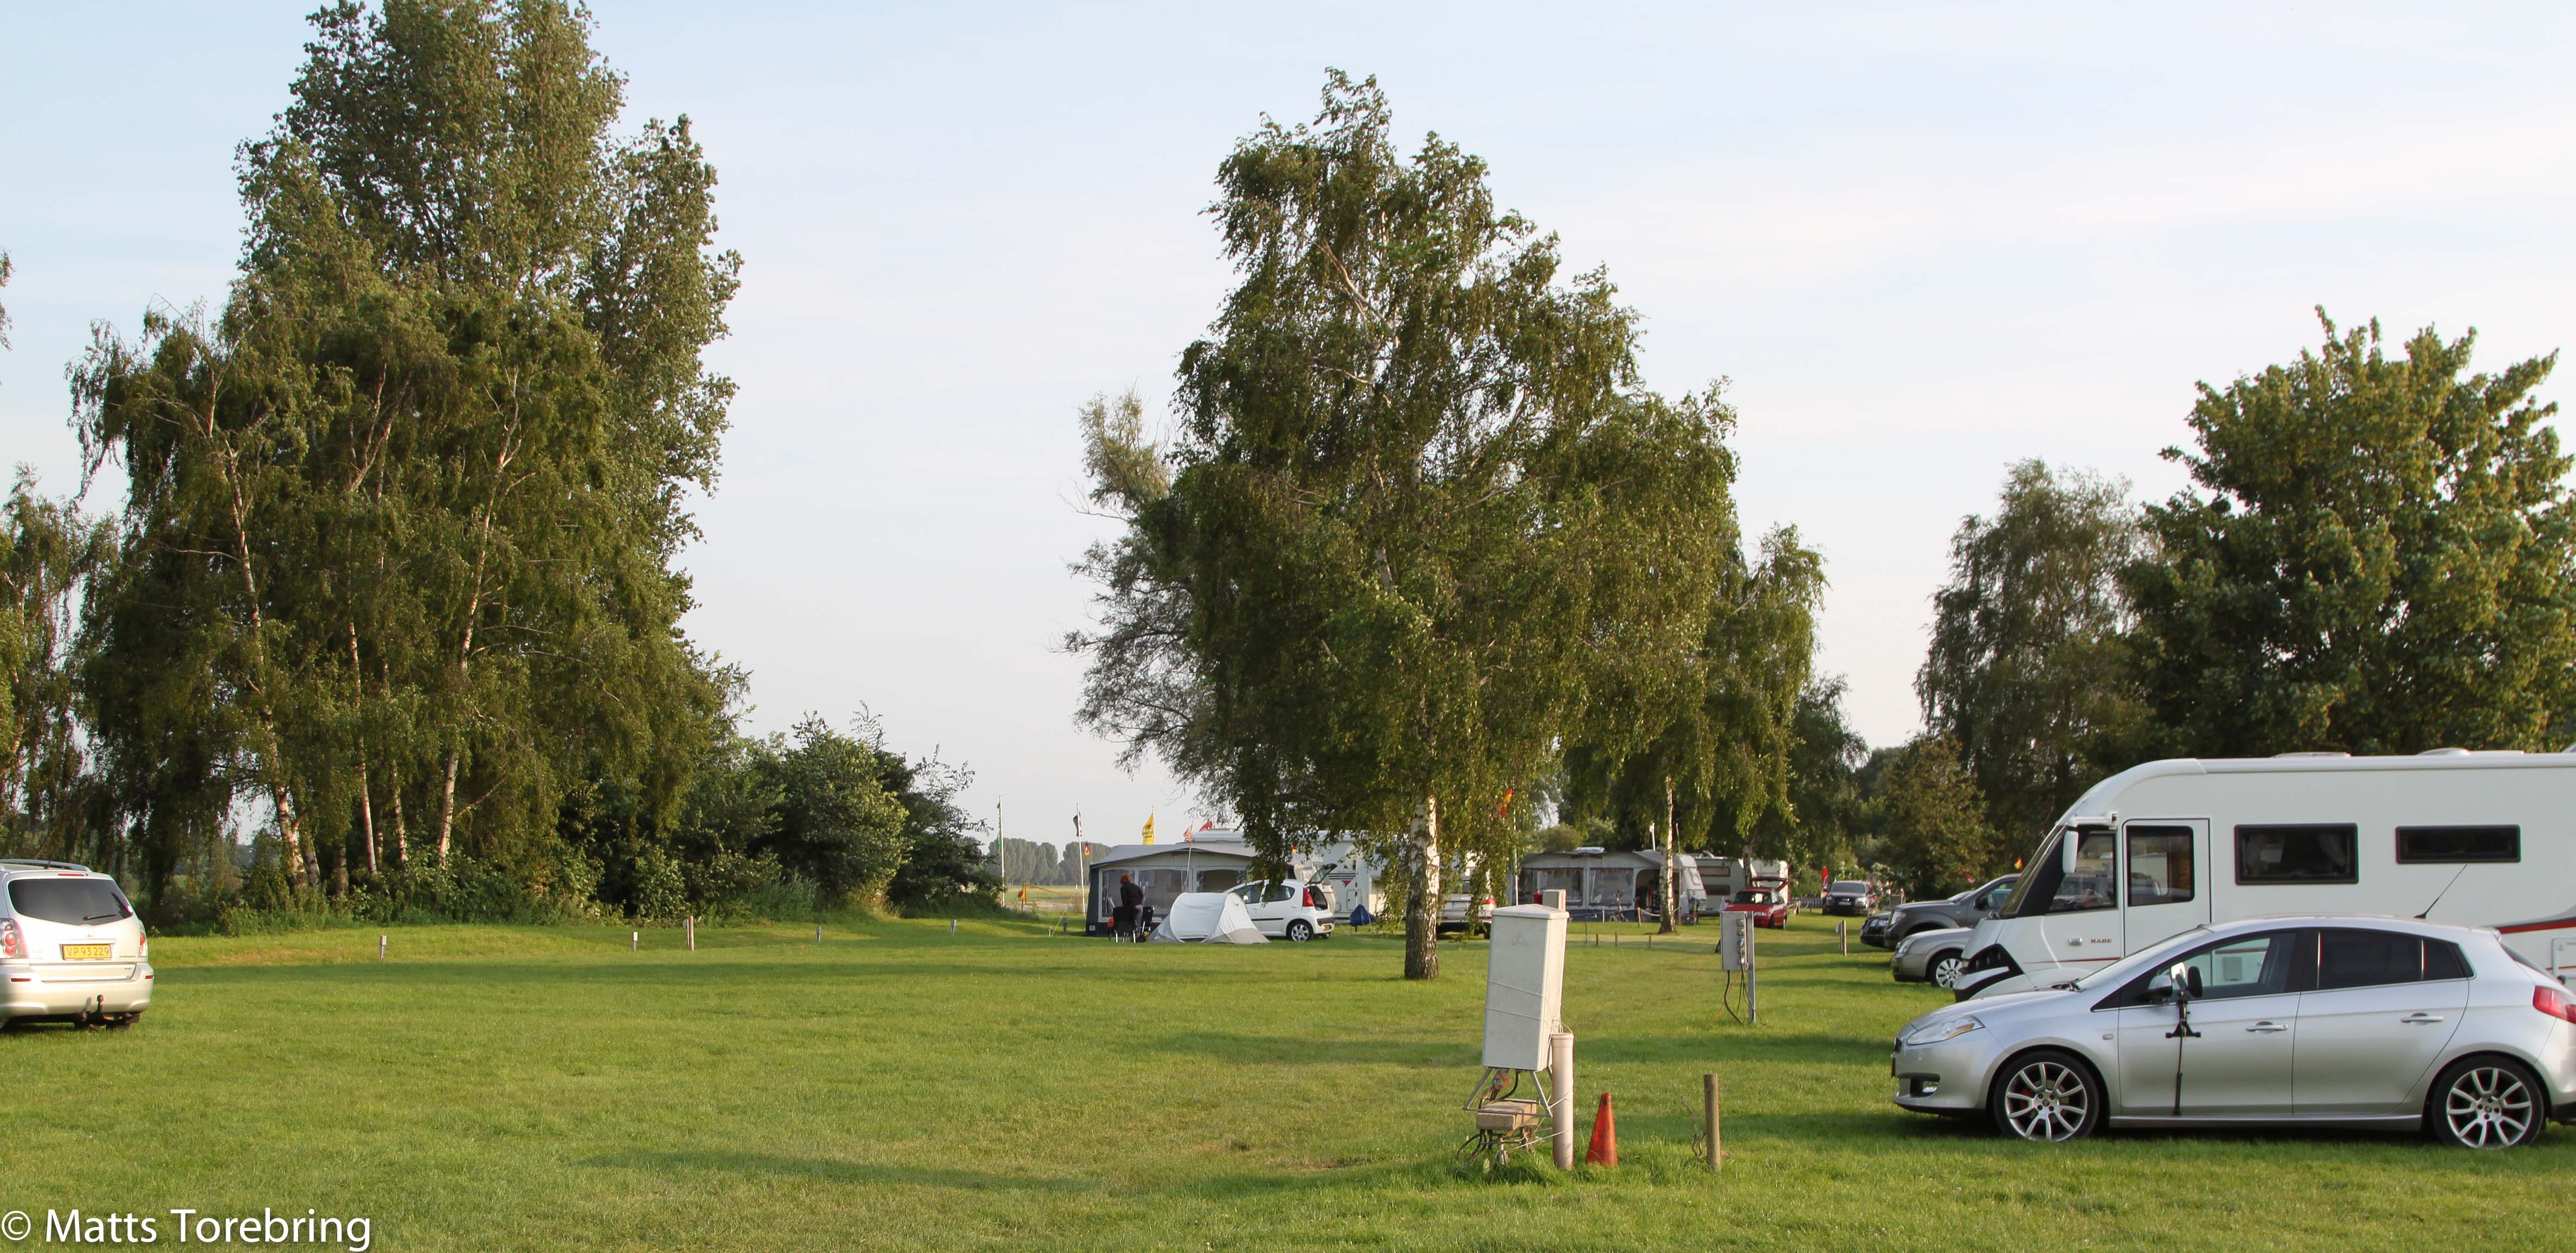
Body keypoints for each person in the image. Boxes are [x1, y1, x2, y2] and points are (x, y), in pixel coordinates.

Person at [1113, 872, 1144, 938]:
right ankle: (1138, 937)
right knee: (1138, 923)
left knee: (1129, 921)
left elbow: (1124, 900)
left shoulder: (1123, 888)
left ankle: (1130, 935)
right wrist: (1139, 901)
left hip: (1132, 907)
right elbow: (1141, 894)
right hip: (1140, 906)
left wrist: (1125, 908)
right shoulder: (1135, 886)